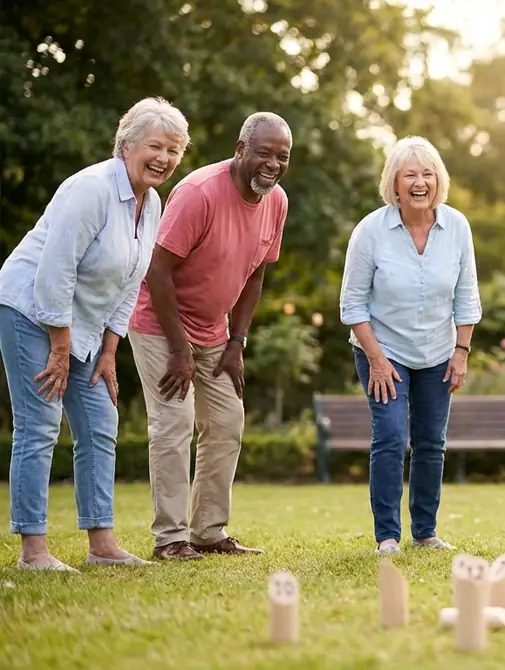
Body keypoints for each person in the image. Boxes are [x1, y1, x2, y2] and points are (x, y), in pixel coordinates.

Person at [0, 97, 190, 570]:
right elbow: (54, 271)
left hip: (82, 326)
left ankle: (102, 545)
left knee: (100, 424)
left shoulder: (152, 204)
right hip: (30, 309)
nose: (164, 158)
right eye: (155, 146)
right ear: (125, 145)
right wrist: (60, 348)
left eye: (174, 150)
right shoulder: (90, 189)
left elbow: (130, 283)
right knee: (39, 425)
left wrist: (108, 351)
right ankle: (33, 550)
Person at [126, 112, 292, 561]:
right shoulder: (199, 192)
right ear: (240, 150)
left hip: (214, 332)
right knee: (173, 424)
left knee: (225, 423)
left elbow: (256, 276)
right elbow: (157, 272)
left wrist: (237, 342)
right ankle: (170, 539)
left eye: (283, 156)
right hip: (161, 325)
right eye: (264, 153)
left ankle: (208, 532)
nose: (273, 164)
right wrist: (180, 349)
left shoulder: (276, 202)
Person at [339, 135, 482, 555]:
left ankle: (425, 532)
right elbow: (352, 304)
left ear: (439, 180)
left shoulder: (456, 226)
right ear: (395, 184)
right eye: (411, 175)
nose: (421, 182)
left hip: (438, 351)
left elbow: (467, 295)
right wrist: (377, 361)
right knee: (390, 437)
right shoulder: (371, 231)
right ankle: (387, 536)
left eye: (428, 174)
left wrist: (461, 351)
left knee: (430, 442)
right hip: (382, 350)